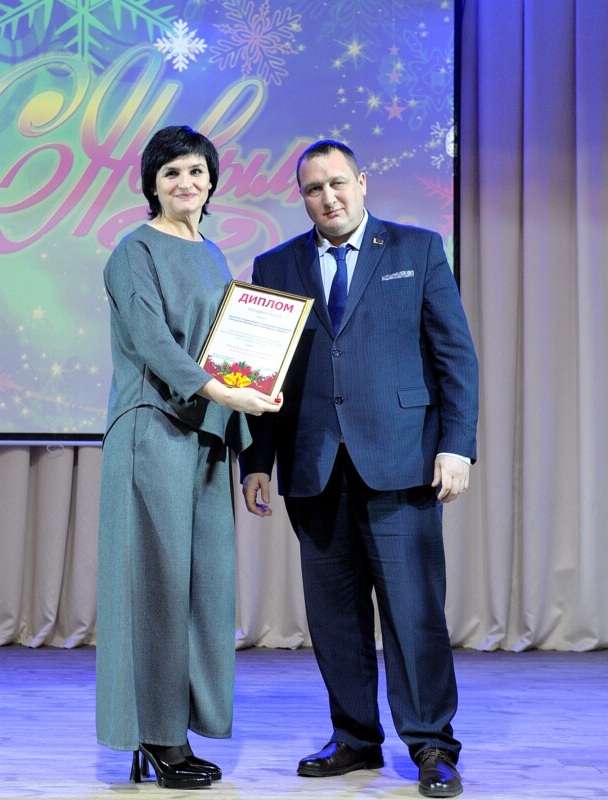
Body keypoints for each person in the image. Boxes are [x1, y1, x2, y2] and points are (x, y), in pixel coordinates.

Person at [240, 139, 479, 798]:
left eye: (338, 183)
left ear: (362, 182)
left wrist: (456, 446)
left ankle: (432, 744)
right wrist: (257, 462)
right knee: (334, 617)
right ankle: (354, 738)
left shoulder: (416, 249)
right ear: (302, 197)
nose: (328, 198)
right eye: (314, 189)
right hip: (313, 467)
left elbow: (455, 357)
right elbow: (263, 375)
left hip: (402, 462)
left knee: (413, 612)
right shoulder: (275, 265)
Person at [96, 125, 281, 790]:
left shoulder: (213, 255)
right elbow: (152, 342)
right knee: (155, 588)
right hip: (152, 432)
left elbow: (233, 358)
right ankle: (155, 735)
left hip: (207, 437)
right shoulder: (134, 251)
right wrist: (224, 393)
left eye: (196, 171)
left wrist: (251, 451)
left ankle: (176, 726)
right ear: (152, 183)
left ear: (212, 182)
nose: (185, 182)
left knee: (201, 591)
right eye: (171, 172)